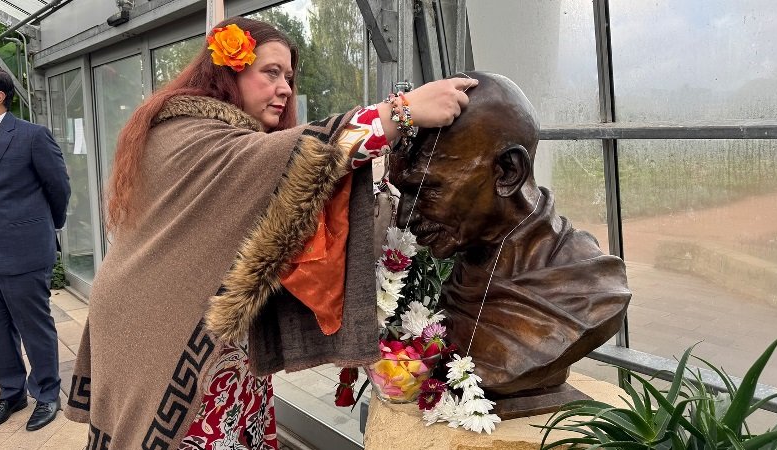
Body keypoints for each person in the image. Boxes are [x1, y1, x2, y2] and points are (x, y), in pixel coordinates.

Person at [64, 17, 477, 449]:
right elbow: (292, 155)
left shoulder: (210, 135)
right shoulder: (188, 133)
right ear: (228, 69)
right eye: (271, 72)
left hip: (189, 319)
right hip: (159, 320)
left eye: (290, 77)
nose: (285, 88)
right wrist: (401, 112)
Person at [391, 71, 630, 397]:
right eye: (404, 192)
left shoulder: (593, 287)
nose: (407, 217)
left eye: (428, 190)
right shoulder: (468, 259)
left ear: (508, 172)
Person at [0, 64, 71, 431]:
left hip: (22, 249)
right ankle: (12, 393)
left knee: (33, 325)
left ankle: (47, 394)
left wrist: (45, 229)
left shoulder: (32, 136)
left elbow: (59, 189)